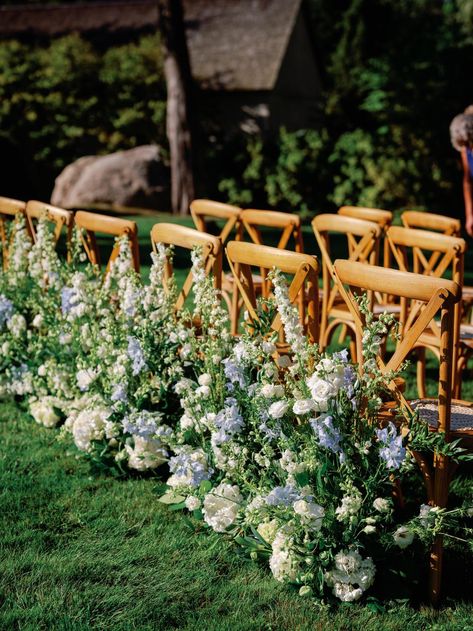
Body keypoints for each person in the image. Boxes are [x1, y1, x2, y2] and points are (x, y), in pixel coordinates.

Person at [450, 106, 473, 237]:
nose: (467, 148)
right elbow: (468, 180)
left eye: (469, 144)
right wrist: (470, 215)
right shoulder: (466, 150)